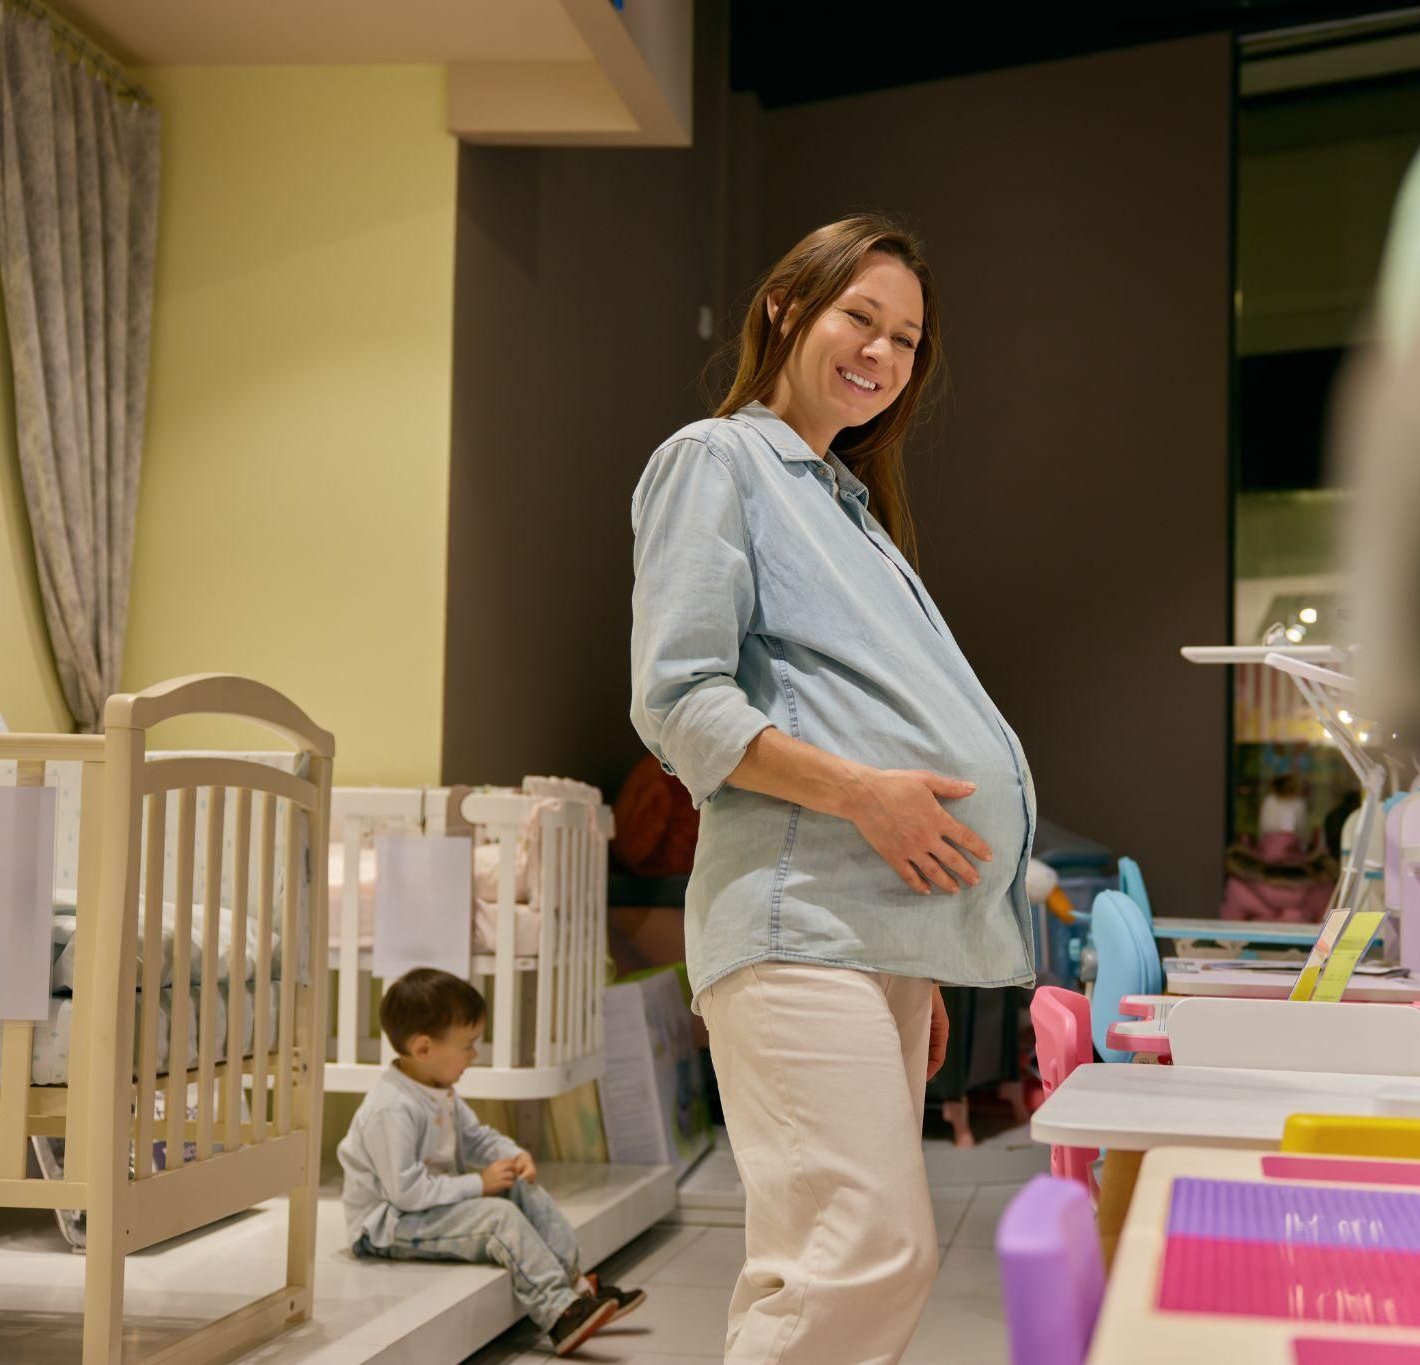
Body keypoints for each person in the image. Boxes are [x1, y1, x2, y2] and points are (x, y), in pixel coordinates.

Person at [630, 212, 1039, 1362]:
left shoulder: (844, 503)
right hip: (792, 919)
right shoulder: (717, 462)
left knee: (814, 1258)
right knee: (864, 1252)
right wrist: (866, 797)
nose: (883, 353)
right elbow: (679, 700)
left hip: (863, 930)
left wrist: (922, 939)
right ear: (784, 308)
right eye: (861, 316)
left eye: (907, 339)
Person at [337, 969, 647, 1358]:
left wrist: (513, 1156)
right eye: (467, 1045)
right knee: (497, 1217)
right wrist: (477, 1185)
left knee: (518, 1185)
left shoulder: (437, 1089)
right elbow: (406, 1192)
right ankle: (559, 1312)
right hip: (389, 1224)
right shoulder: (392, 1108)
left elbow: (476, 1137)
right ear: (423, 1048)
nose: (475, 1054)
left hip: (424, 1208)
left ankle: (576, 1285)